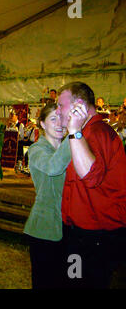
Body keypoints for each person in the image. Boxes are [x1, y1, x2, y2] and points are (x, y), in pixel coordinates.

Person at [56, 81, 126, 289]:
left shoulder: (97, 132)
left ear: (79, 105)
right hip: (81, 233)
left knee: (82, 283)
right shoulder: (86, 132)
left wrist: (74, 130)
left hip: (95, 236)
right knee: (73, 280)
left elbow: (90, 175)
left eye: (61, 105)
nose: (58, 111)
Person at [24, 103, 83, 288]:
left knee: (70, 280)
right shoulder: (36, 150)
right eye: (53, 119)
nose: (60, 123)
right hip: (45, 229)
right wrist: (74, 133)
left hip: (70, 228)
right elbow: (52, 167)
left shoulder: (71, 146)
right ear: (41, 124)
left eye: (62, 118)